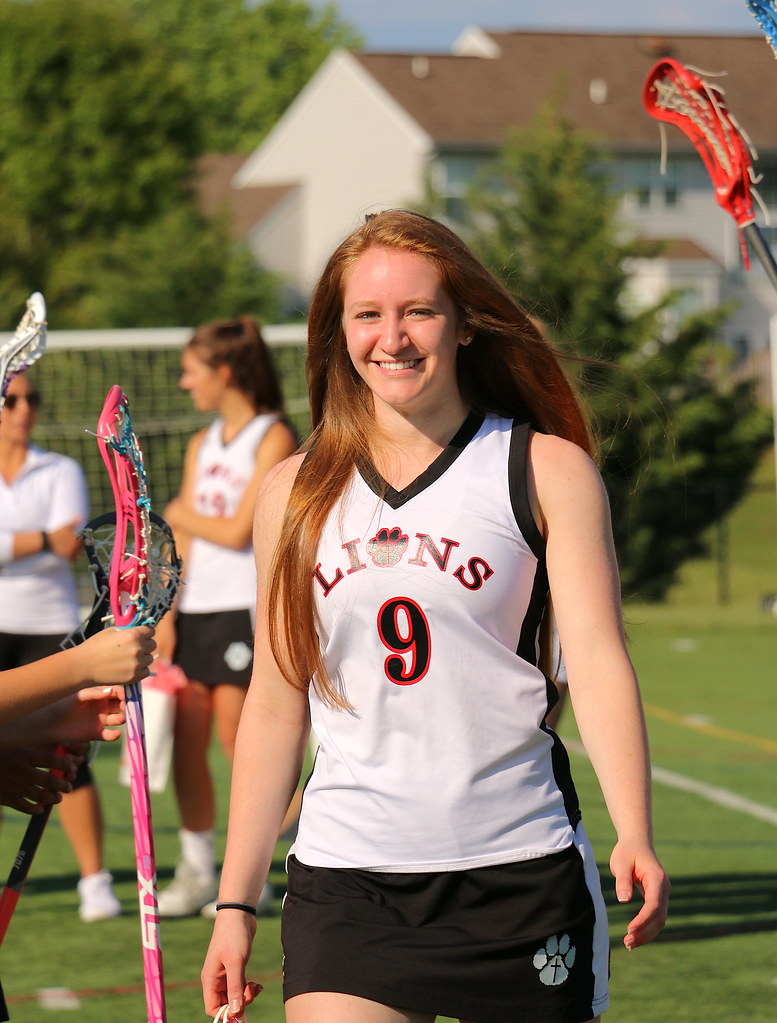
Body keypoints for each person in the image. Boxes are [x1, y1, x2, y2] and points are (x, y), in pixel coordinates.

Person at [201, 210, 671, 1023]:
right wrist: (235, 901)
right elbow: (278, 704)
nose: (394, 337)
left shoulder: (543, 469)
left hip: (517, 870)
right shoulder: (293, 490)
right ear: (338, 332)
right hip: (349, 880)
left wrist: (634, 828)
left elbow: (594, 662)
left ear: (462, 327)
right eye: (368, 315)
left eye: (418, 311)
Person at [156, 316, 297, 919]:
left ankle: (250, 874)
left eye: (192, 370)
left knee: (239, 739)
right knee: (187, 740)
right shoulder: (201, 443)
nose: (186, 383)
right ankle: (195, 868)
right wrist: (167, 608)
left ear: (225, 372)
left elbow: (242, 529)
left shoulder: (272, 436)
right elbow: (184, 541)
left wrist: (180, 513)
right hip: (197, 610)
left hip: (246, 606)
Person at [0, 370, 123, 922]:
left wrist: (27, 543)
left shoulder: (61, 468)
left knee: (68, 757)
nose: (24, 408)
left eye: (32, 399)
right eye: (11, 399)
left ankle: (94, 880)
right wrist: (40, 539)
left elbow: (68, 545)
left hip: (49, 627)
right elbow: (50, 539)